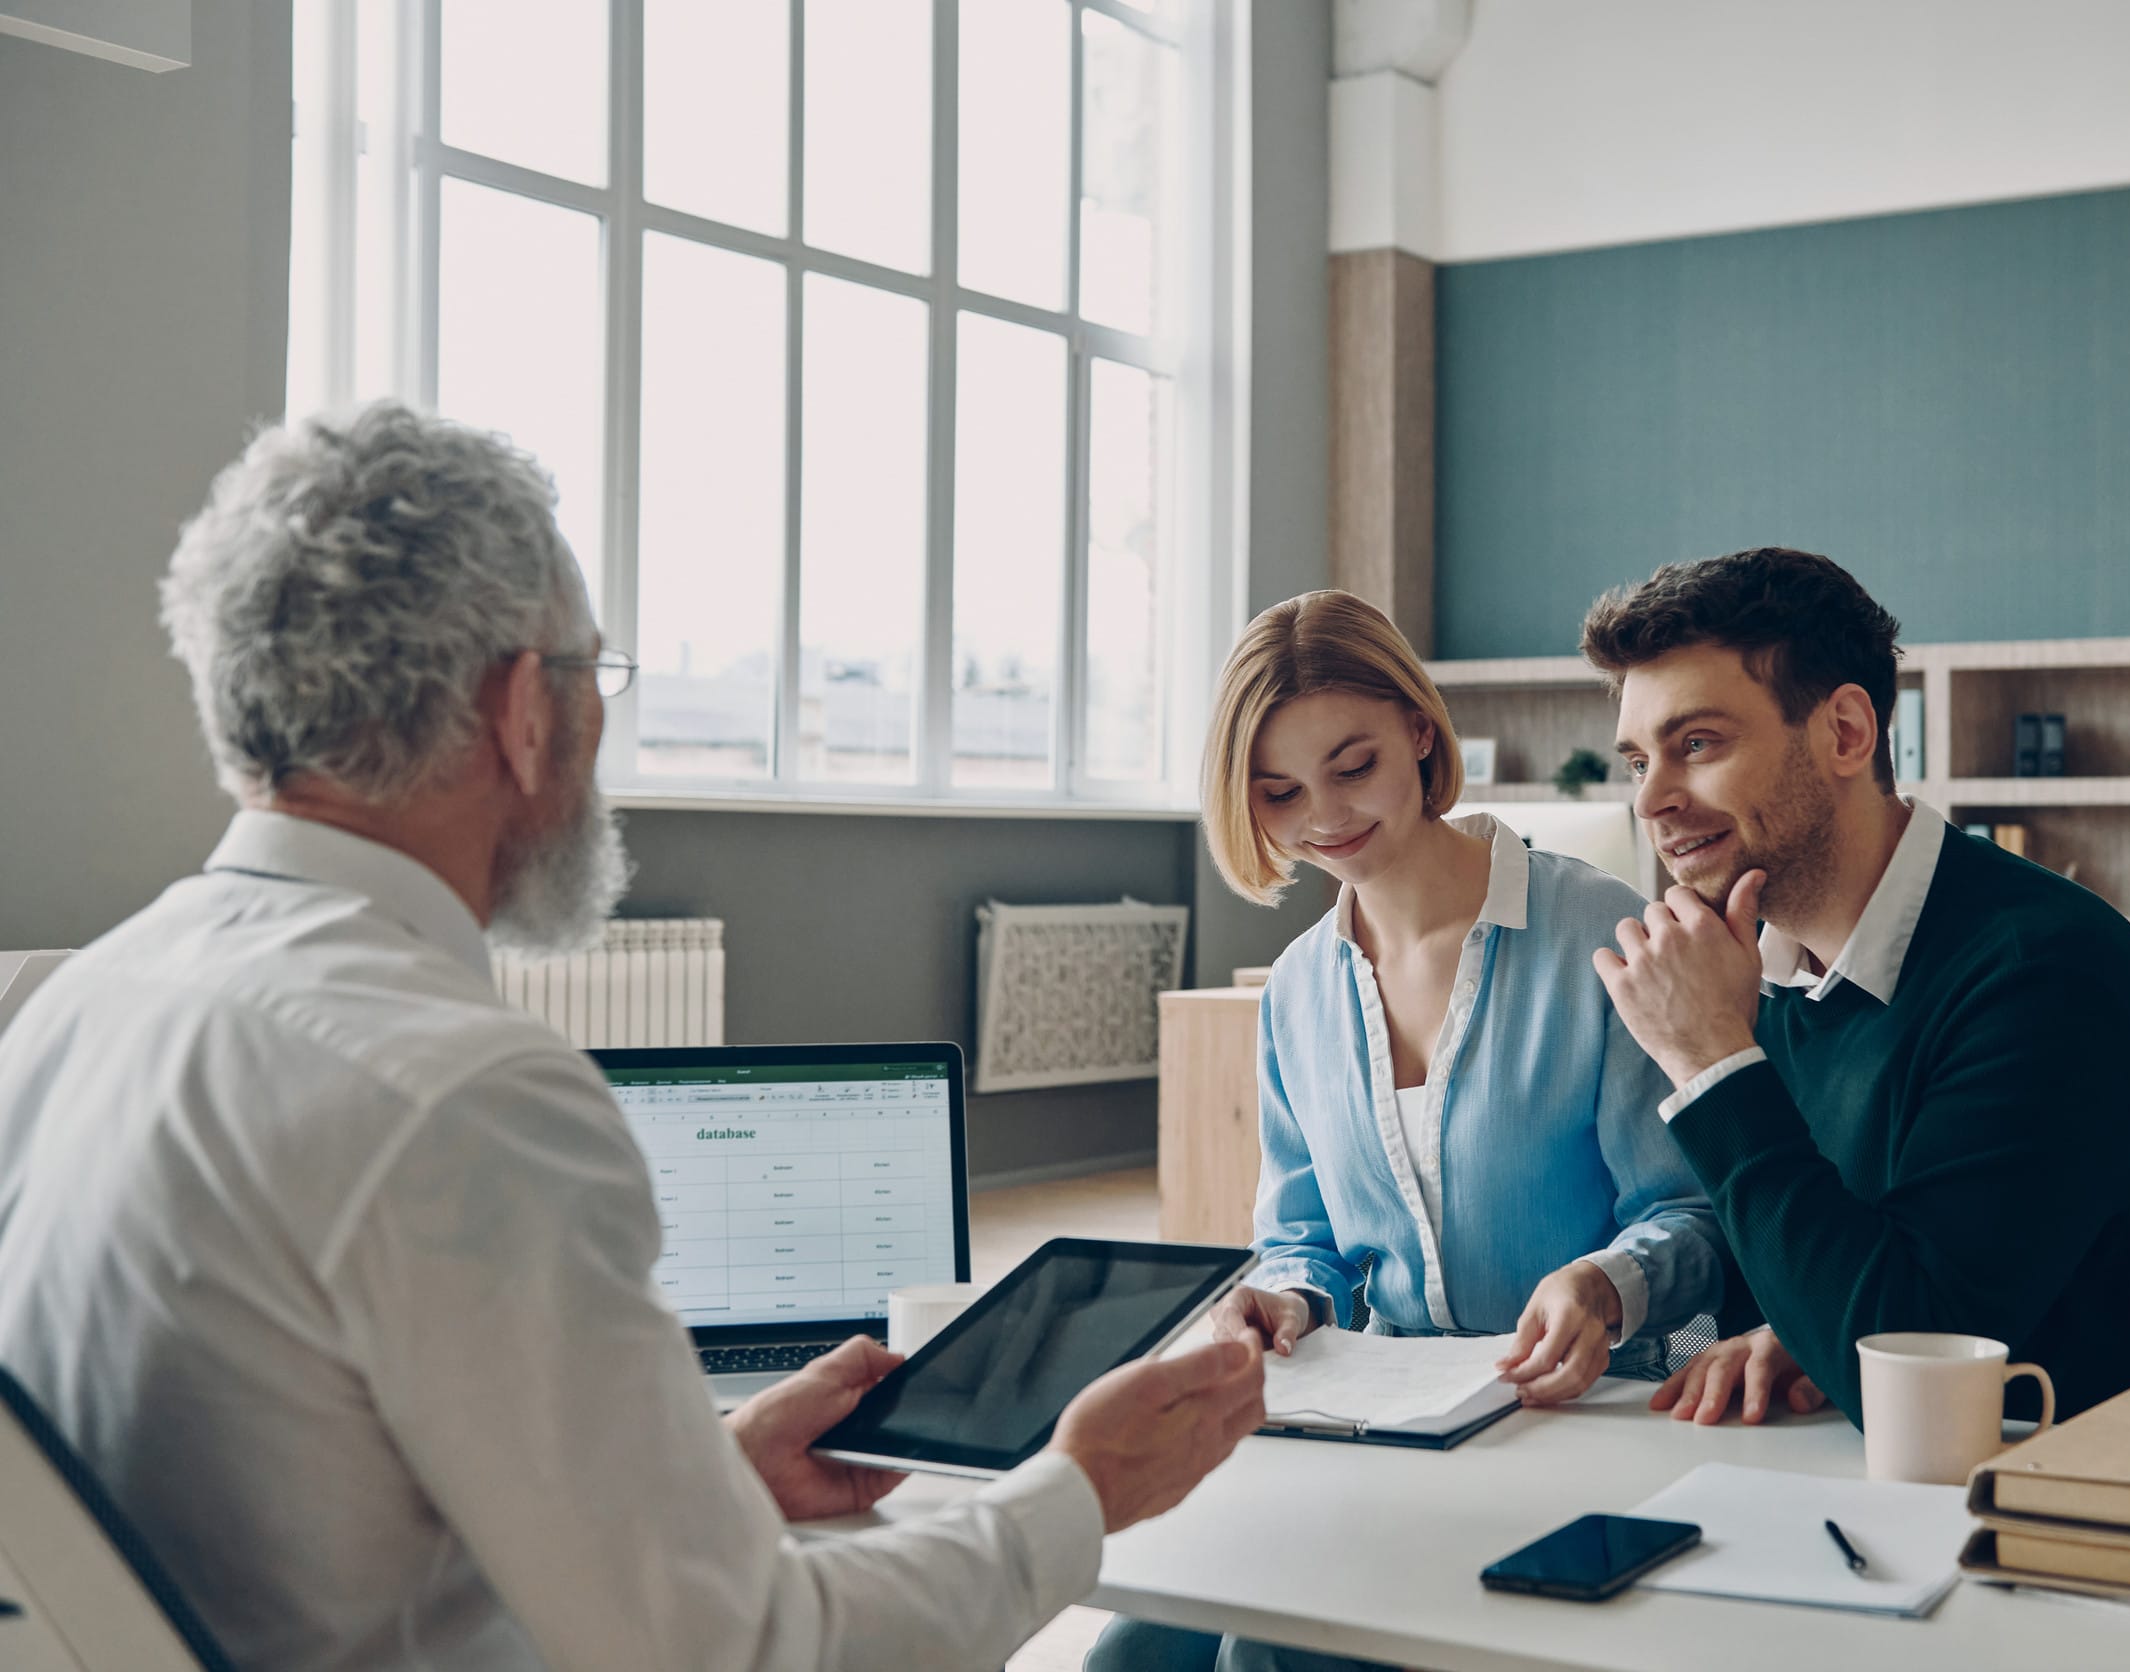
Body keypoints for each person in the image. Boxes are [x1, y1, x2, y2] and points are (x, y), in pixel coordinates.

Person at [0, 401, 1267, 1672]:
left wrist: (706, 1479)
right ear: (520, 709)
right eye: (588, 676)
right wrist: (1081, 1488)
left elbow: (301, 1503)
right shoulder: (459, 1096)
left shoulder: (69, 1009)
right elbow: (756, 1656)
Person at [1088, 591, 1737, 1672]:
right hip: (1387, 1433)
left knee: (1267, 1655)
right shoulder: (1298, 989)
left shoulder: (1598, 931)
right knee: (1127, 1656)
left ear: (1420, 735)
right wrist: (1285, 1300)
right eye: (1280, 790)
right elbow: (1307, 1240)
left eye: (1354, 767)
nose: (1324, 816)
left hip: (1578, 1428)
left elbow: (1694, 1210)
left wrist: (1607, 1282)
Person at [1579, 547, 2130, 1429]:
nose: (1651, 801)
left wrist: (1711, 1060)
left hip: (2112, 1502)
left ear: (1847, 734)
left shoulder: (2045, 976)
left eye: (1696, 744)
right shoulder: (1770, 969)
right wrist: (1803, 1328)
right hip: (1875, 1490)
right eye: (1638, 762)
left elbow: (1909, 1370)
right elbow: (1877, 1268)